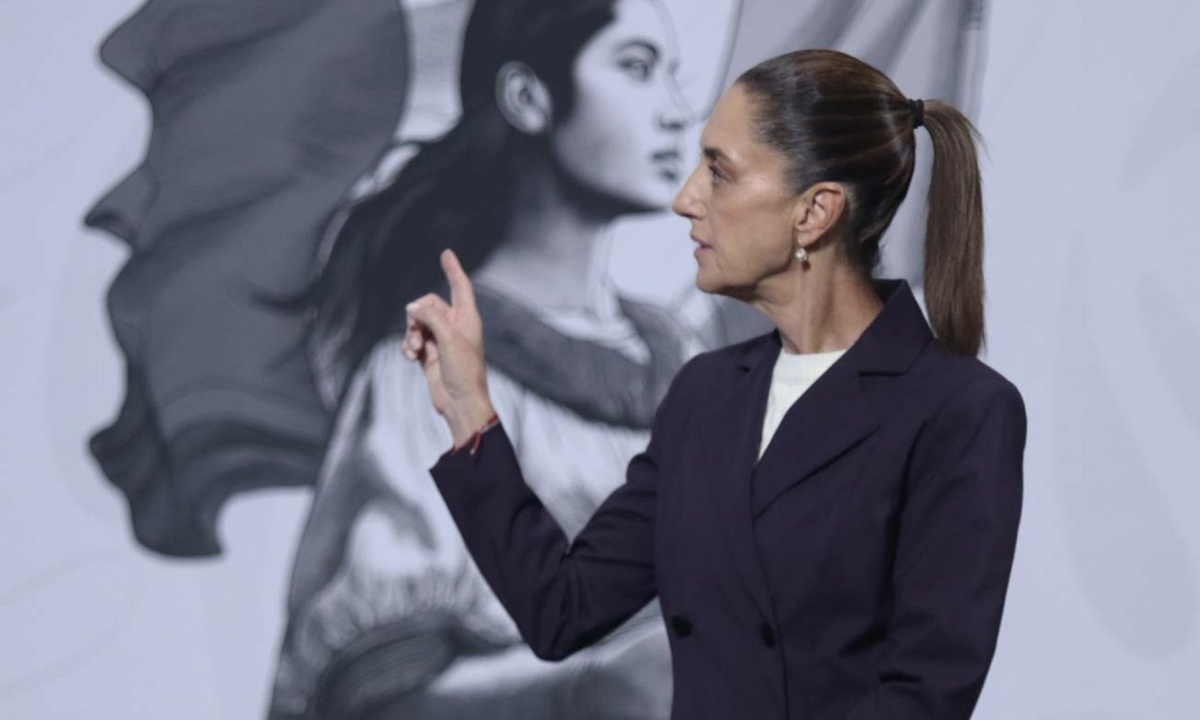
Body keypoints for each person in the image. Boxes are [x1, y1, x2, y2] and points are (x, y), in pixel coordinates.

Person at [403, 49, 1027, 720]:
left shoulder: (960, 412)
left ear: (813, 213)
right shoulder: (706, 392)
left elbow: (923, 696)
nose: (685, 199)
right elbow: (563, 609)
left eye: (720, 173)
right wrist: (469, 406)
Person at [268, 1, 712, 717]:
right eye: (635, 69)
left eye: (672, 75)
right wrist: (588, 689)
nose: (677, 112)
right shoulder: (428, 374)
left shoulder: (693, 355)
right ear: (528, 97)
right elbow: (369, 694)